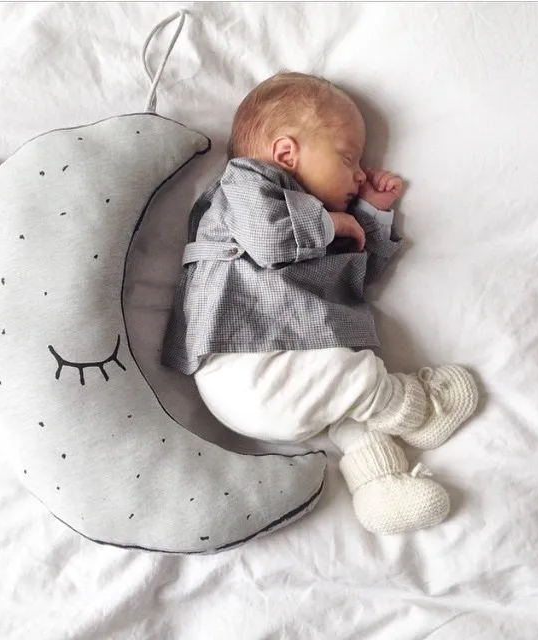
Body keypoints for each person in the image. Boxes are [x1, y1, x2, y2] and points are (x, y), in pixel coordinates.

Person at [161, 72, 479, 535]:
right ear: (286, 154)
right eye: (348, 158)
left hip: (285, 376)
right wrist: (331, 225)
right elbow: (269, 239)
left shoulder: (313, 224)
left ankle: (380, 485)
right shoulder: (246, 185)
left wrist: (370, 214)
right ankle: (419, 410)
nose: (360, 173)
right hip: (242, 364)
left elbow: (355, 278)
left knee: (350, 418)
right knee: (352, 375)